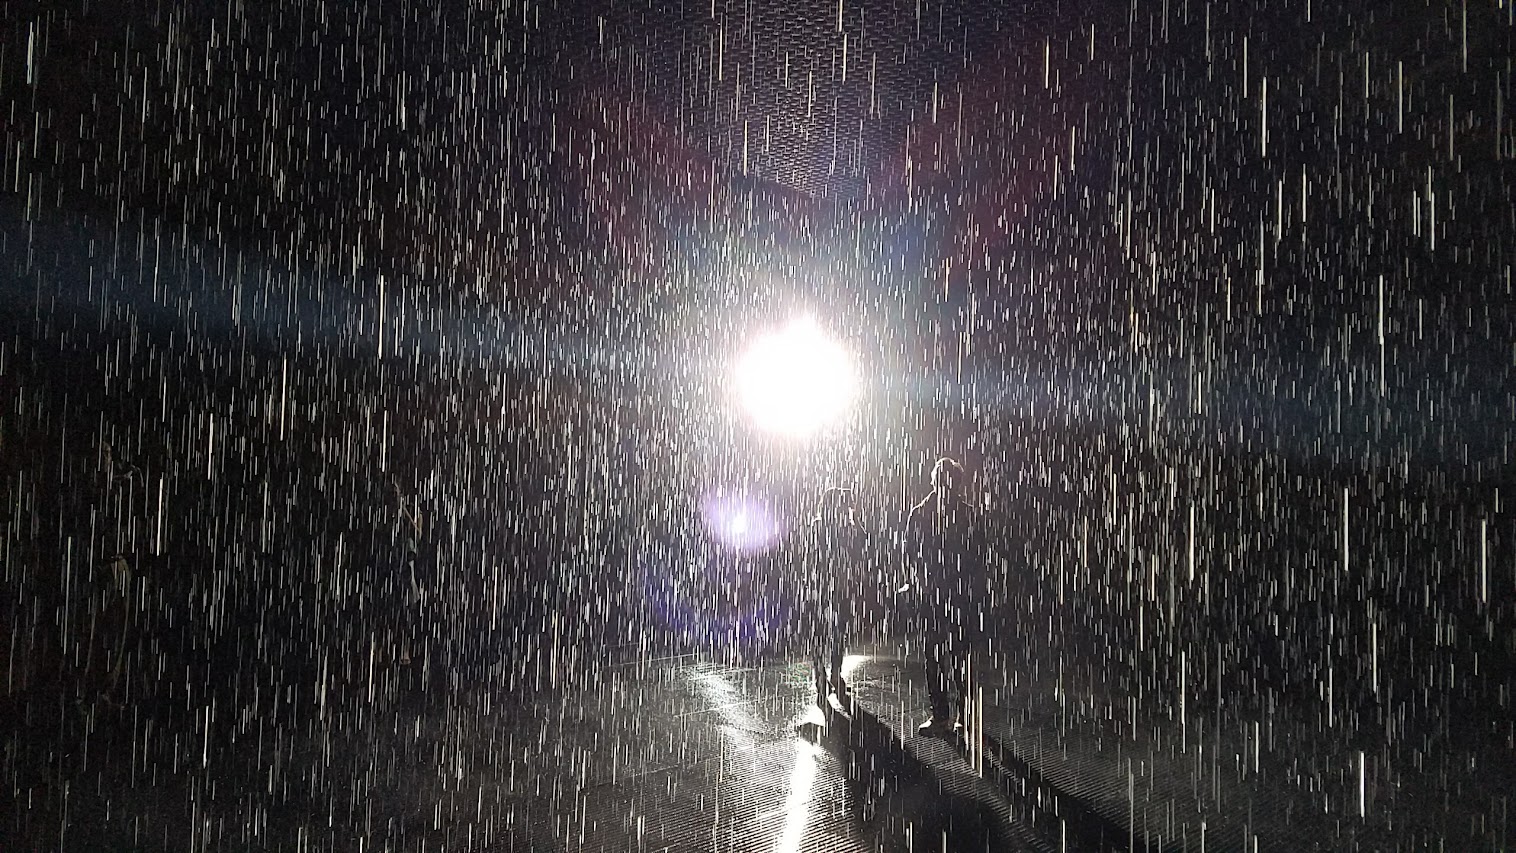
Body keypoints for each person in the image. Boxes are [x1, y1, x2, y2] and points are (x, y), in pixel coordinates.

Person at [903, 457, 987, 735]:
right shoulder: (928, 513)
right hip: (942, 596)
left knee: (952, 657)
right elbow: (911, 553)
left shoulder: (932, 512)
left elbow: (911, 554)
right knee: (942, 657)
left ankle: (951, 715)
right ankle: (948, 715)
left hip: (952, 596)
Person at [802, 487, 865, 713]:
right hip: (835, 587)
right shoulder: (841, 528)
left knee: (823, 634)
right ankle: (831, 674)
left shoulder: (819, 527)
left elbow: (808, 558)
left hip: (823, 587)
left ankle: (823, 676)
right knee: (835, 633)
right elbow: (859, 548)